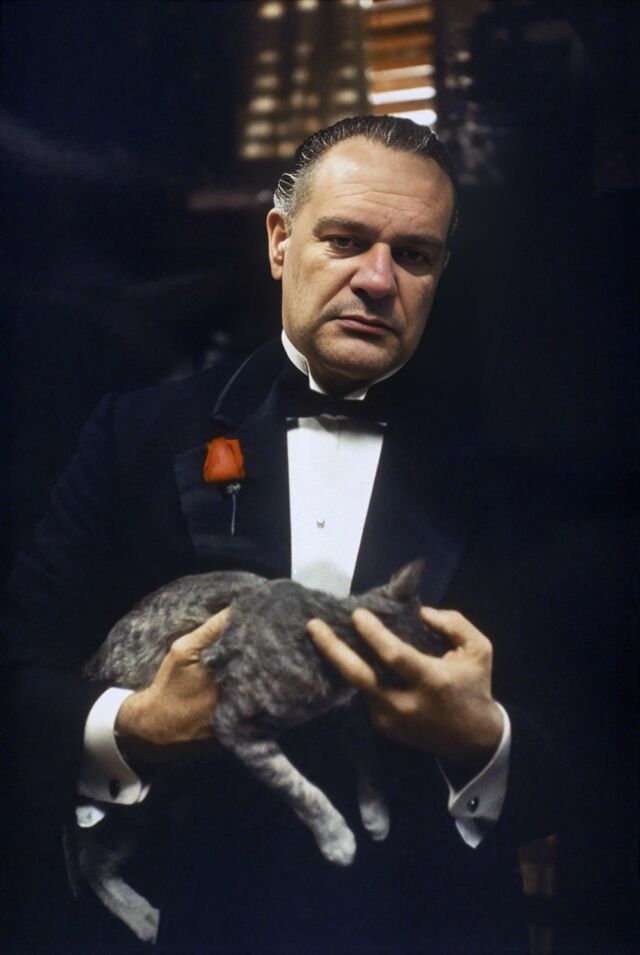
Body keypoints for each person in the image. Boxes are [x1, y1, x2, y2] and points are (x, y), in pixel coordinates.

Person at [4, 116, 564, 954]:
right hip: (183, 921)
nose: (378, 278)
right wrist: (134, 724)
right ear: (279, 241)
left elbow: (600, 751)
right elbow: (18, 672)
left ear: (440, 273)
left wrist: (484, 739)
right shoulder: (136, 435)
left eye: (413, 255)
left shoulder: (514, 472)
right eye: (346, 240)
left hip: (431, 926)